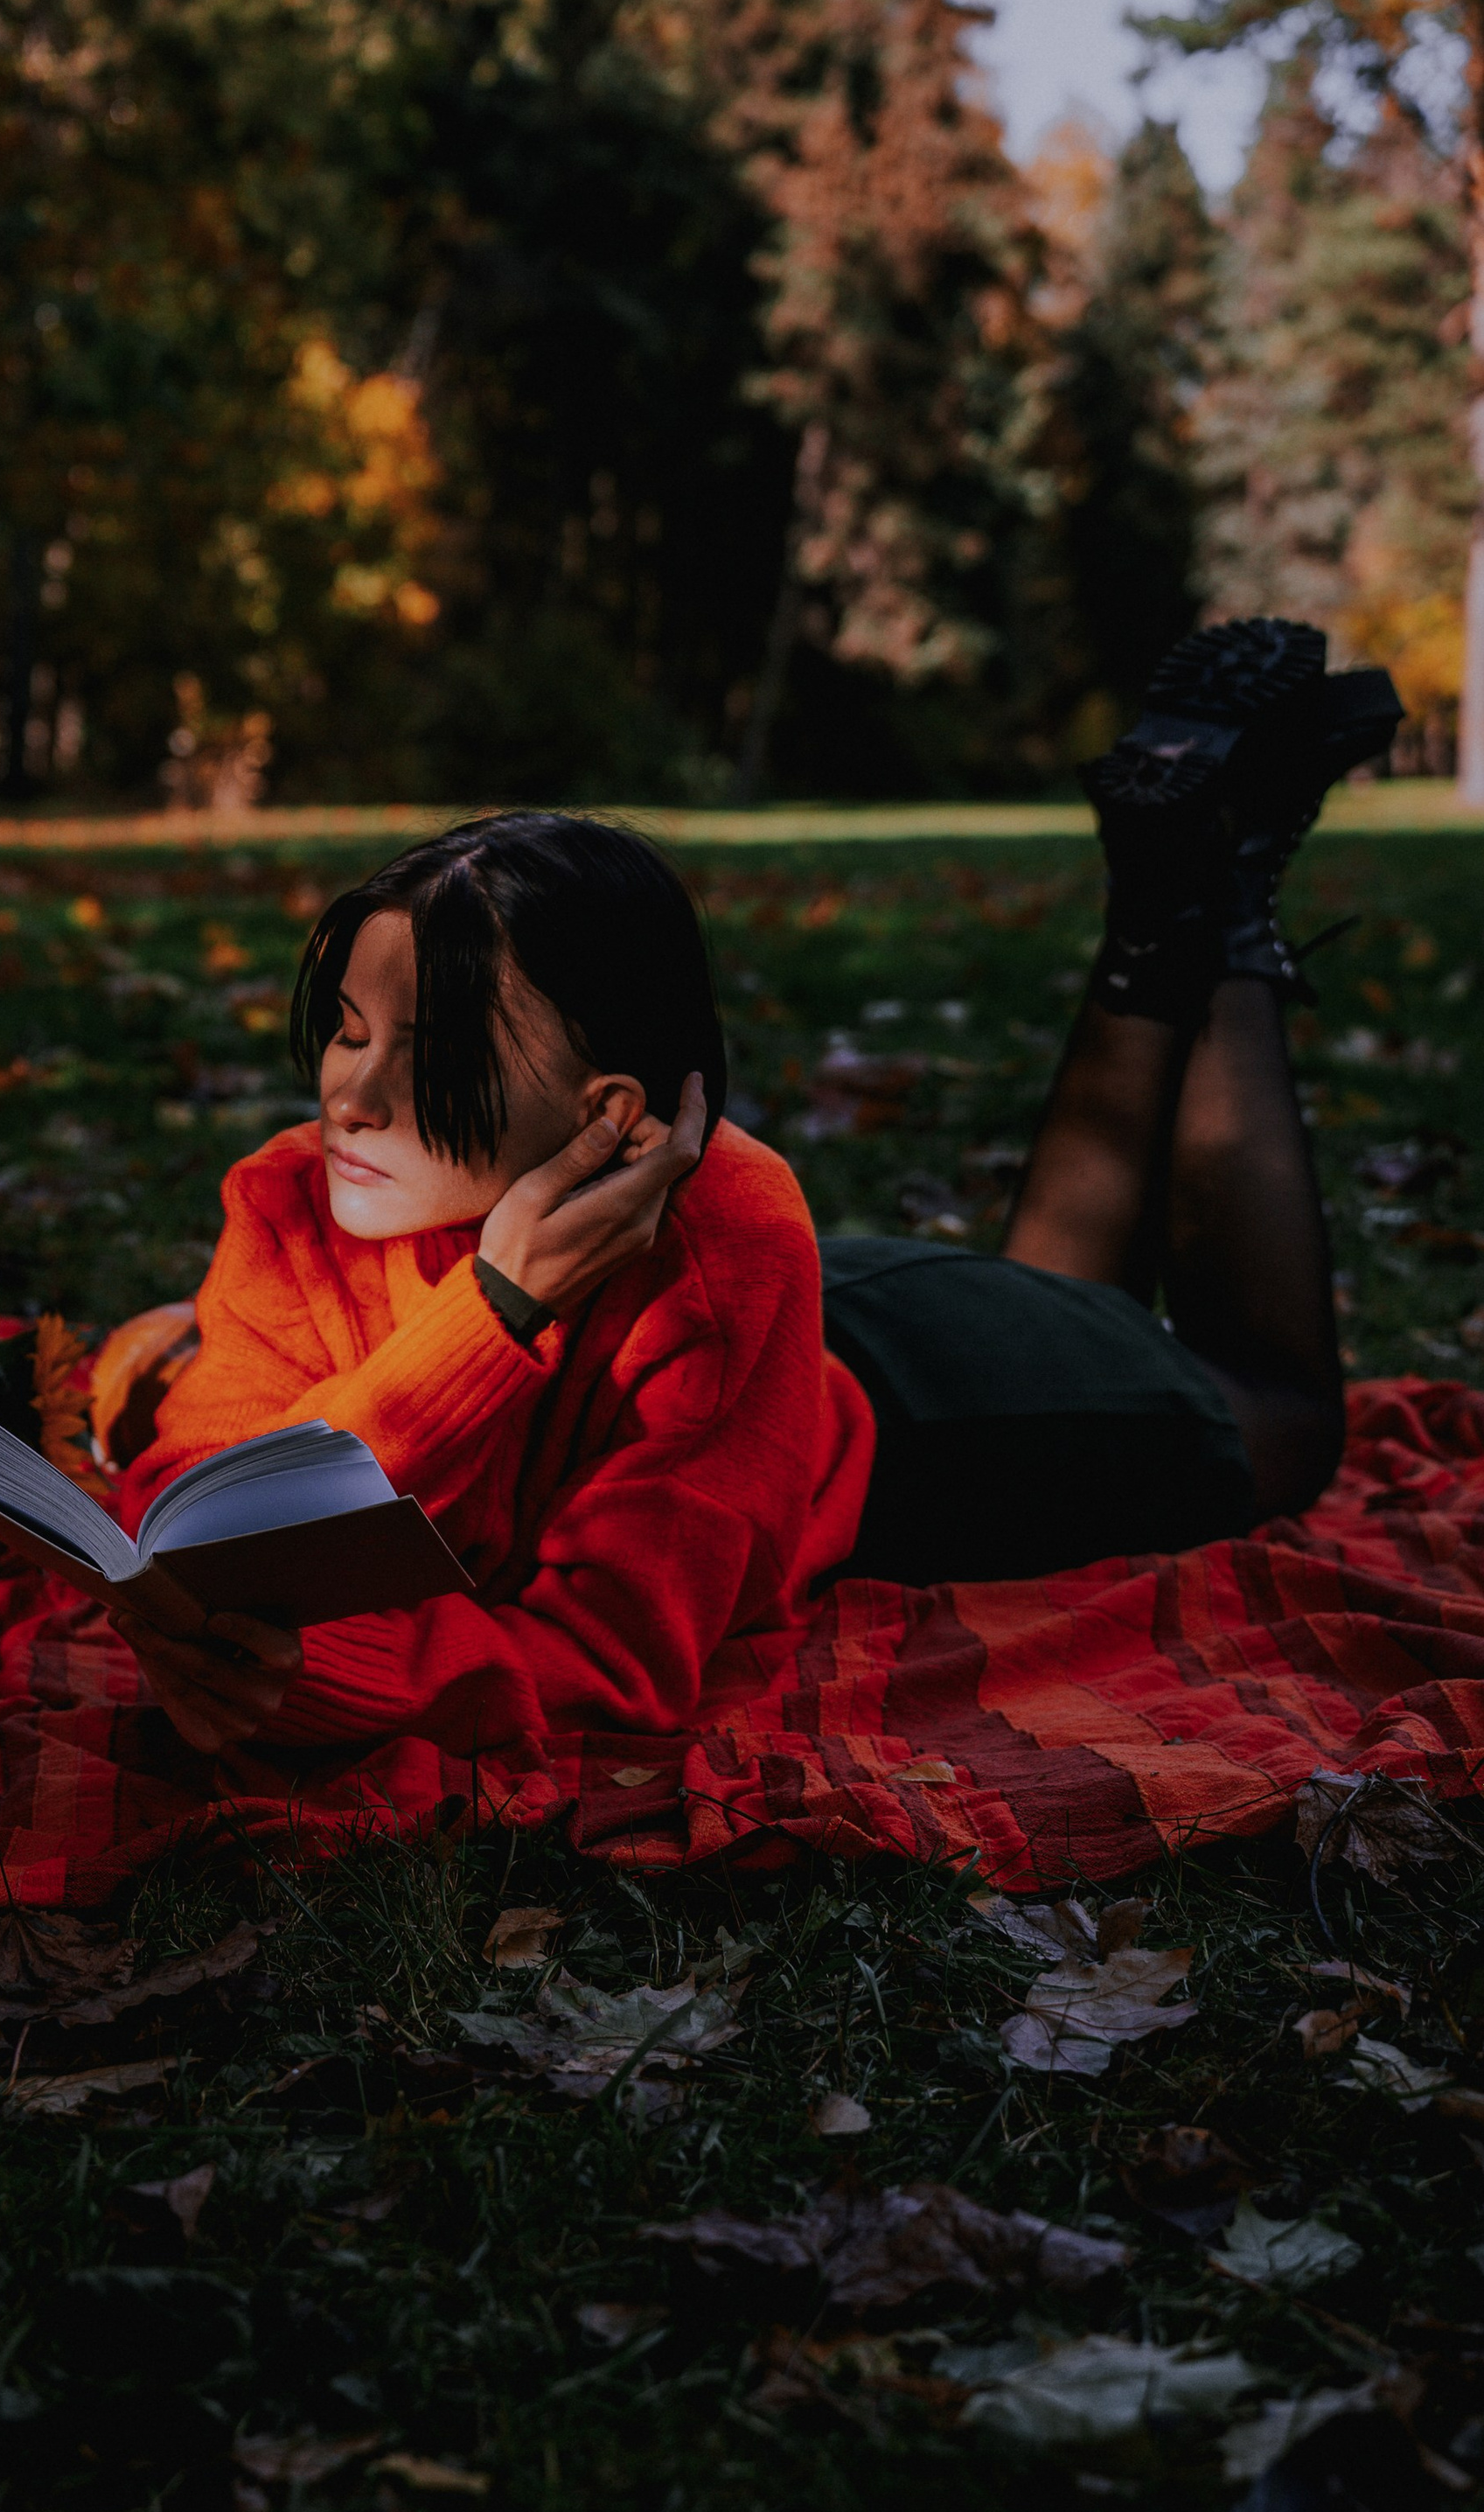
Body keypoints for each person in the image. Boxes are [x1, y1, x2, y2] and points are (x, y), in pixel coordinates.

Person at [105, 618, 1402, 1758]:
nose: (348, 1096)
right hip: (799, 1334)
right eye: (345, 1028)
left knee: (1279, 1418)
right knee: (1073, 1297)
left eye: (430, 1054)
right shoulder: (284, 1203)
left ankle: (1215, 905)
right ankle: (1172, 890)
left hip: (936, 1423)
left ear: (607, 1110)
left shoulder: (720, 1254)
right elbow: (201, 1500)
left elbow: (615, 1661)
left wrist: (494, 1314)